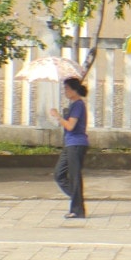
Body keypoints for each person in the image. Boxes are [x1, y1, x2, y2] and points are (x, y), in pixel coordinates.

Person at [49, 77, 90, 219]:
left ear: (74, 90)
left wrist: (58, 117)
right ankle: (77, 199)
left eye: (67, 88)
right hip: (69, 144)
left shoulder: (78, 105)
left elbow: (71, 126)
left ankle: (77, 209)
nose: (65, 91)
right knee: (59, 174)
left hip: (77, 144)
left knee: (74, 176)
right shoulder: (73, 105)